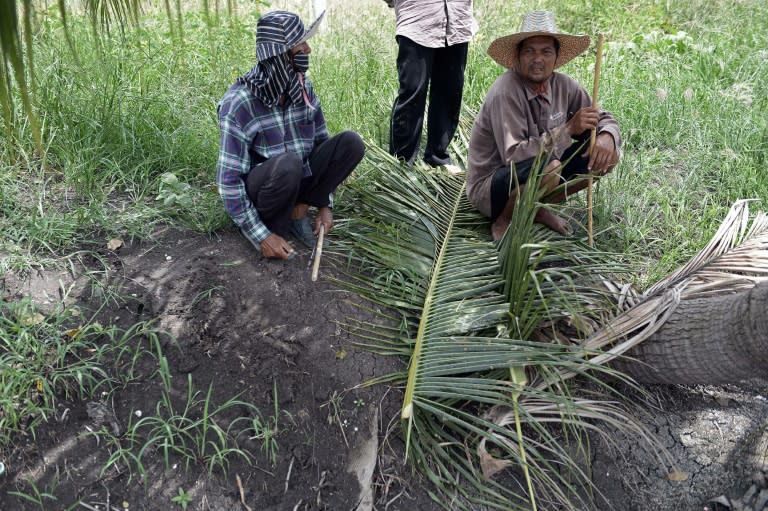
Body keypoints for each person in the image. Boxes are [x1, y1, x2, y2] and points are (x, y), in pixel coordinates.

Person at [216, 10, 365, 260]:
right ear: (278, 55)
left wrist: (325, 204)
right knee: (288, 163)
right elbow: (229, 181)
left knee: (351, 143)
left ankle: (299, 211)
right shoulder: (239, 103)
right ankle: (275, 227)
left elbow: (322, 146)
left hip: (298, 179)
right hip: (266, 193)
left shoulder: (302, 87)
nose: (308, 50)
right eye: (300, 45)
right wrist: (260, 235)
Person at [466, 10, 621, 240]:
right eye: (529, 51)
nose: (538, 59)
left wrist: (607, 135)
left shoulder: (564, 85)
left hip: (534, 175)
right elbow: (514, 156)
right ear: (518, 56)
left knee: (606, 155)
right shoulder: (505, 91)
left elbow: (602, 117)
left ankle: (535, 208)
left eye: (546, 52)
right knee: (550, 167)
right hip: (492, 187)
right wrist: (568, 130)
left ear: (556, 57)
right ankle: (505, 219)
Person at [385, 0, 477, 172]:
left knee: (450, 92)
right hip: (417, 18)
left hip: (457, 18)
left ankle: (438, 158)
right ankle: (402, 165)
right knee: (412, 93)